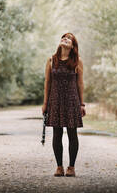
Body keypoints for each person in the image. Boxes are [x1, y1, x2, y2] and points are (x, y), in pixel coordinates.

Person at [42, 32, 86, 177]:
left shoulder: (77, 61)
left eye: (69, 39)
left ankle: (71, 167)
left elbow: (80, 83)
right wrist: (45, 103)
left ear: (73, 46)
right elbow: (47, 83)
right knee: (57, 133)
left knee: (72, 134)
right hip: (55, 100)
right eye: (63, 37)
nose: (65, 39)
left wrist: (82, 104)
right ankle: (59, 167)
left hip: (72, 101)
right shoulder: (51, 60)